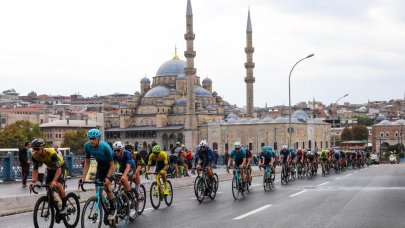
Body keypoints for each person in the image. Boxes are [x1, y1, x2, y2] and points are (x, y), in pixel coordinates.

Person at [79, 129, 116, 220]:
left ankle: (113, 207)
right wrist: (83, 178)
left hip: (109, 166)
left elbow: (112, 165)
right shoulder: (87, 146)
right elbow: (87, 163)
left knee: (107, 188)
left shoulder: (105, 147)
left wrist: (108, 178)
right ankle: (105, 204)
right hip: (100, 166)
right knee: (98, 191)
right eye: (90, 138)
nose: (91, 140)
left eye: (94, 139)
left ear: (98, 138)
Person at [29, 138, 67, 214]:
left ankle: (64, 205)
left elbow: (58, 169)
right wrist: (33, 182)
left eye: (37, 149)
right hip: (50, 169)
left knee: (58, 185)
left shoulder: (51, 153)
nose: (35, 151)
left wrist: (54, 181)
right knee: (49, 189)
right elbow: (35, 169)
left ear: (42, 148)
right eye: (33, 149)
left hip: (61, 167)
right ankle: (57, 204)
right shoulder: (34, 155)